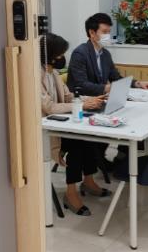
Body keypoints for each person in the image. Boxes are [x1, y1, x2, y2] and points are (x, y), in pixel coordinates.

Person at [66, 13, 148, 166]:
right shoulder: (80, 53)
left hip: (101, 101)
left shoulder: (105, 54)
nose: (107, 36)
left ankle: (117, 160)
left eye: (109, 32)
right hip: (83, 103)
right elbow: (80, 85)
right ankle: (100, 160)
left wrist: (137, 83)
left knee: (129, 118)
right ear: (92, 33)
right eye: (104, 32)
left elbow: (115, 77)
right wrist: (106, 88)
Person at [40, 33, 111, 216]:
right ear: (49, 55)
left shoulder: (54, 73)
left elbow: (68, 96)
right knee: (77, 143)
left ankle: (88, 181)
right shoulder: (35, 76)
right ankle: (70, 193)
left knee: (90, 137)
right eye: (59, 53)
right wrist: (80, 106)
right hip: (44, 129)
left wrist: (90, 100)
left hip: (59, 124)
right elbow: (49, 107)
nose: (62, 57)